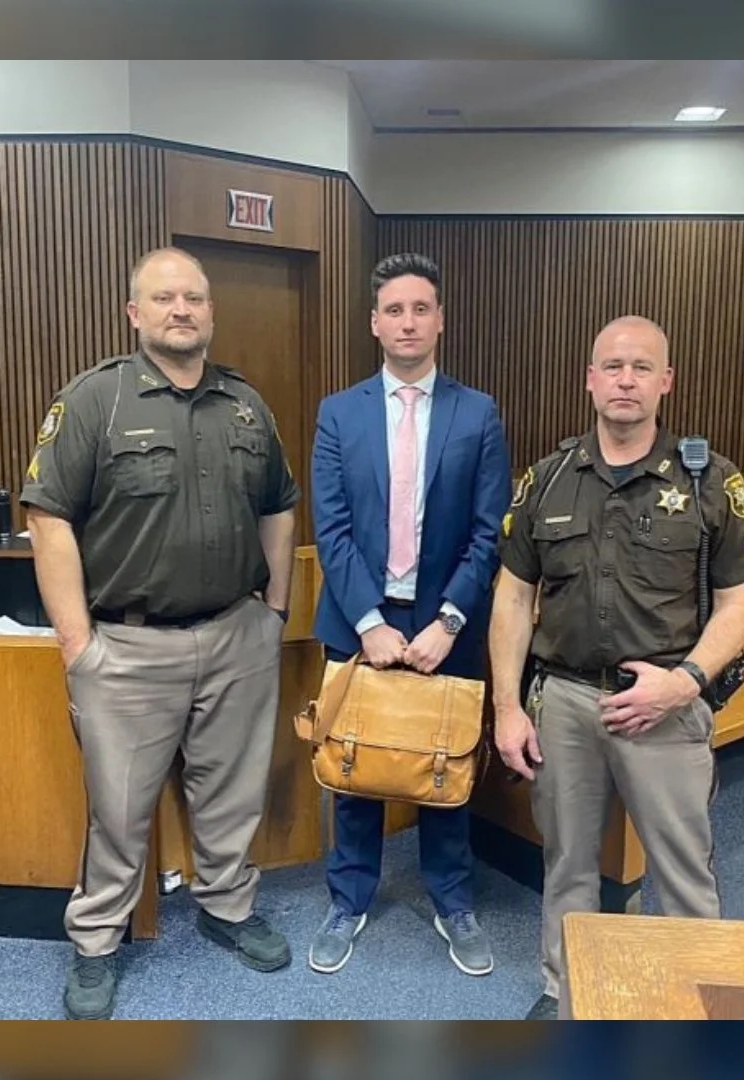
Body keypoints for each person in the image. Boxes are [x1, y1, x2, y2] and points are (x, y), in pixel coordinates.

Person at [20, 247, 300, 1020]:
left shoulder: (246, 405)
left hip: (237, 635)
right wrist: (78, 644)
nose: (182, 310)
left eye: (194, 298)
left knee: (232, 793)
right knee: (118, 810)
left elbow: (279, 504)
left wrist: (273, 611)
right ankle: (96, 940)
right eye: (164, 298)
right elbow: (47, 519)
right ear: (134, 313)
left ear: (211, 311)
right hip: (127, 648)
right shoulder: (94, 400)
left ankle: (228, 907)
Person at [489, 315, 744, 1020]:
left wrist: (686, 683)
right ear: (590, 379)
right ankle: (564, 988)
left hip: (666, 706)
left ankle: (699, 1001)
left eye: (642, 367)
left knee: (683, 868)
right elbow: (513, 598)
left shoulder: (710, 482)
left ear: (665, 381)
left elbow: (739, 604)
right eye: (612, 366)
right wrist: (508, 709)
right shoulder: (548, 479)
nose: (625, 380)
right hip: (566, 704)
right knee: (567, 863)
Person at [306, 252, 510, 977]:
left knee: (443, 767)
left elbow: (488, 532)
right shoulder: (339, 412)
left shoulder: (477, 412)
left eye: (421, 308)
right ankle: (348, 899)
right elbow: (331, 529)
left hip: (444, 624)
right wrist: (369, 623)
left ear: (440, 320)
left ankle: (453, 900)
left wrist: (449, 622)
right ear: (374, 323)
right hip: (359, 620)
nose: (408, 322)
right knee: (354, 764)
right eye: (394, 310)